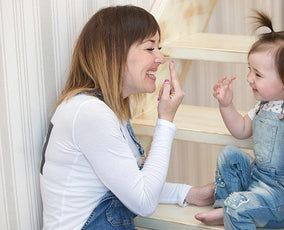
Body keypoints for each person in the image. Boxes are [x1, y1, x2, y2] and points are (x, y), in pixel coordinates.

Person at [39, 5, 213, 230]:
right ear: (116, 53)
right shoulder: (90, 114)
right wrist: (165, 120)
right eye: (150, 48)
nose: (160, 57)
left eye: (158, 47)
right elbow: (144, 201)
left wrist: (188, 193)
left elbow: (133, 183)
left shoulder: (107, 110)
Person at [194, 11, 284, 229]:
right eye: (249, 70)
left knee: (237, 204)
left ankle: (232, 209)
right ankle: (224, 208)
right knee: (230, 154)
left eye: (258, 75)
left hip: (283, 197)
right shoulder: (264, 105)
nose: (249, 78)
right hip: (257, 180)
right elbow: (242, 129)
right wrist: (226, 105)